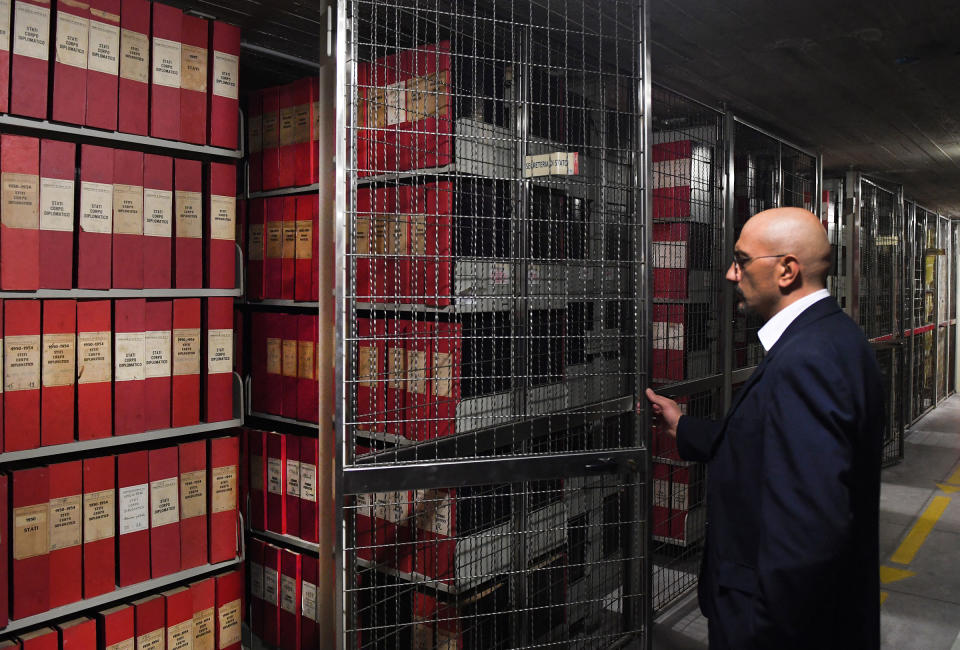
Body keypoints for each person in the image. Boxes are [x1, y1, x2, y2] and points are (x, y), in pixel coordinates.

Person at [646, 207, 884, 649]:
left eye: (741, 259)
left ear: (786, 270)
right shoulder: (833, 339)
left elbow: (805, 535)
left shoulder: (807, 361)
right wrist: (683, 427)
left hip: (772, 626)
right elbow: (771, 451)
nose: (730, 273)